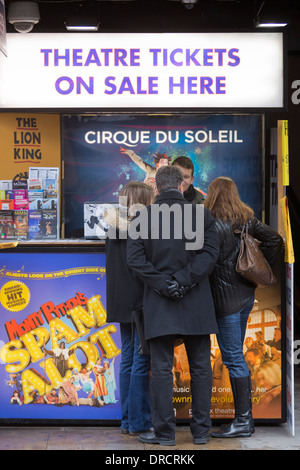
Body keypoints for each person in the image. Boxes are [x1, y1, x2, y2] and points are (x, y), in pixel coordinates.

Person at [126, 166, 220, 446]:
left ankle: (165, 434)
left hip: (159, 302)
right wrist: (183, 280)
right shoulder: (200, 214)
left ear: (156, 188)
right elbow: (209, 254)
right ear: (181, 186)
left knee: (162, 369)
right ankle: (201, 432)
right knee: (201, 367)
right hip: (196, 301)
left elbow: (134, 261)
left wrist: (164, 284)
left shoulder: (143, 217)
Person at [204, 176, 283, 438]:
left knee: (233, 358)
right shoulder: (246, 219)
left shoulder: (209, 222)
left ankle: (243, 421)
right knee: (235, 354)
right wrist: (256, 270)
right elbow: (275, 240)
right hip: (245, 295)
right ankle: (243, 420)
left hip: (224, 299)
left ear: (213, 195)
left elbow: (205, 261)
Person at [104, 181, 154, 435]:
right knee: (140, 358)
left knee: (128, 358)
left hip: (119, 299)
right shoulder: (141, 226)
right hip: (138, 299)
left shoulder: (114, 224)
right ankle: (139, 422)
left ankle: (126, 421)